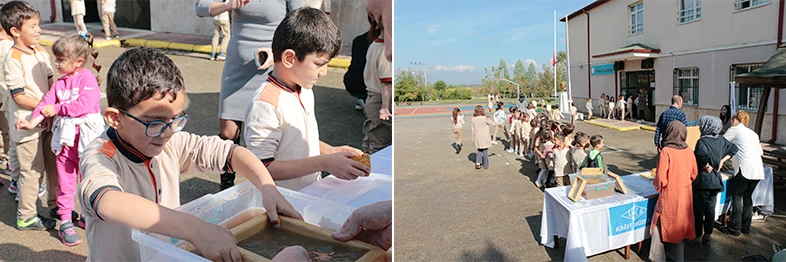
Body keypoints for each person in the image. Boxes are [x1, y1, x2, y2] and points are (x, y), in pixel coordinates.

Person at [77, 47, 302, 261]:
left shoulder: (172, 142)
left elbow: (231, 152)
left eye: (175, 119)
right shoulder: (101, 156)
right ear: (116, 118)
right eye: (153, 123)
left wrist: (267, 186)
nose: (166, 133)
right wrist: (194, 229)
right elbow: (108, 202)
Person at [244, 8, 368, 191]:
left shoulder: (304, 89)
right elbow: (262, 167)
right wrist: (324, 162)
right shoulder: (265, 104)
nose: (324, 72)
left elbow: (296, 141)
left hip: (308, 193)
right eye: (319, 64)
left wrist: (330, 152)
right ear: (289, 58)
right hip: (281, 203)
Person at [196, 0, 305, 190]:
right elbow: (201, 7)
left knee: (265, 134)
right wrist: (229, 4)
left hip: (272, 65)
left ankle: (265, 188)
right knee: (228, 133)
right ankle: (227, 189)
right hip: (236, 68)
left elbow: (300, 22)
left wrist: (277, 53)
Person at [15, 33, 104, 246]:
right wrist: (32, 121)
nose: (56, 63)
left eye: (61, 59)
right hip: (65, 144)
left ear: (79, 61)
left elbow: (83, 105)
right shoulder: (59, 84)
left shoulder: (88, 78)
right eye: (56, 59)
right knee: (65, 184)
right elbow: (45, 102)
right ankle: (65, 221)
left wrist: (56, 109)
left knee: (89, 183)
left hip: (87, 144)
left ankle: (87, 215)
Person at [1, 1, 59, 230]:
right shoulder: (13, 59)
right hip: (28, 128)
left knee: (53, 168)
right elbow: (19, 97)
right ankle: (26, 216)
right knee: (32, 172)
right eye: (33, 26)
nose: (39, 30)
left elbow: (52, 81)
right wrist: (48, 106)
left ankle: (55, 205)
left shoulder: (40, 52)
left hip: (48, 122)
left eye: (38, 25)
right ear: (15, 31)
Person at [649, 121, 698, 262]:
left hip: (670, 195)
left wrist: (657, 186)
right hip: (685, 195)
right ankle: (677, 257)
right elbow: (694, 174)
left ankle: (657, 257)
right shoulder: (688, 150)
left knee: (660, 223)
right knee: (679, 226)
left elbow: (661, 179)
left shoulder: (666, 151)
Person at [690, 116, 737, 246]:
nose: (699, 127)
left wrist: (706, 164)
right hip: (715, 180)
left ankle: (698, 236)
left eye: (701, 125)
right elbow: (734, 148)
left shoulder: (702, 141)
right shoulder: (721, 140)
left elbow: (701, 155)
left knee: (699, 210)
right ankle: (708, 234)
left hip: (703, 181)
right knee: (710, 209)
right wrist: (721, 161)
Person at [719, 110, 764, 236]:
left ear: (735, 119)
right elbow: (760, 152)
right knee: (748, 197)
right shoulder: (753, 134)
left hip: (744, 169)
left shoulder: (735, 129)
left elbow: (721, 144)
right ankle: (746, 227)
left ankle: (734, 228)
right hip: (757, 169)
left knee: (737, 197)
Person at [361, 10, 392, 154]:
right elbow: (387, 83)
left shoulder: (374, 44)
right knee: (381, 145)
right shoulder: (386, 51)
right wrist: (385, 107)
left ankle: (365, 168)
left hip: (371, 97)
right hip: (381, 99)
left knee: (370, 139)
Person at [343, 21, 372, 111]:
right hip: (367, 85)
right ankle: (370, 100)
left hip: (352, 82)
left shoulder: (359, 39)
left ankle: (364, 98)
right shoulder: (381, 43)